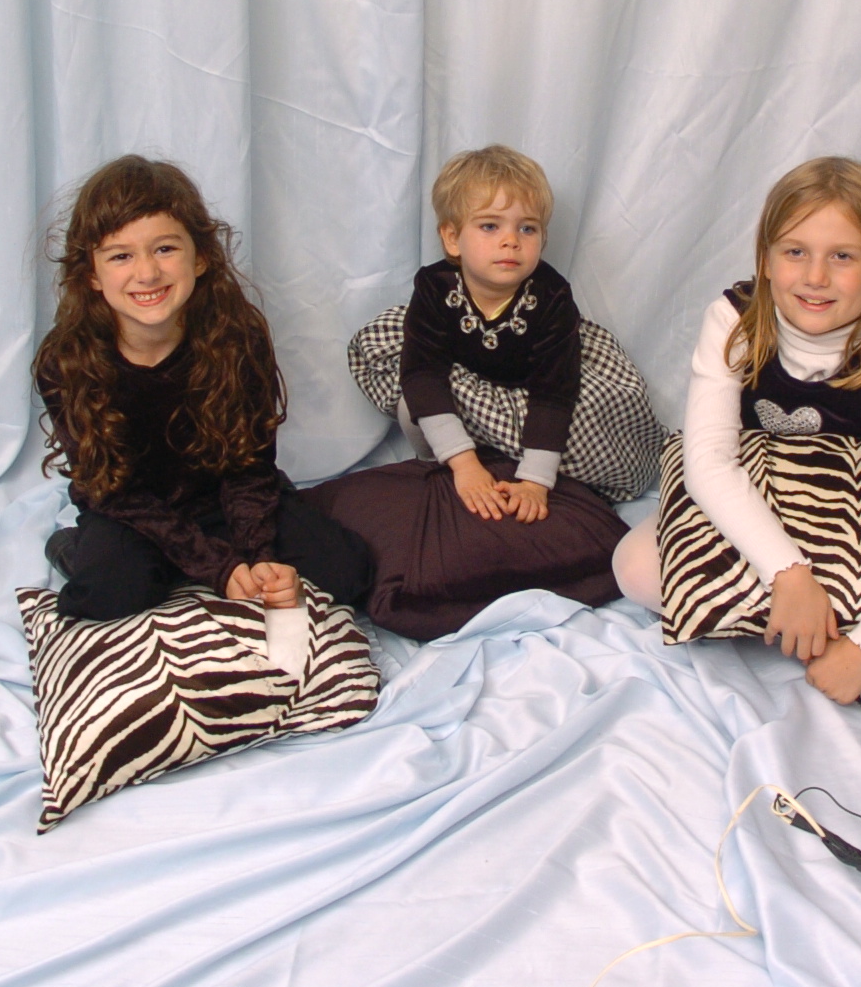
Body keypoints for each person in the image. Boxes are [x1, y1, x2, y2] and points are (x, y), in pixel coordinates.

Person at [611, 156, 861, 704]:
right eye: (795, 252)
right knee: (637, 569)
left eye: (843, 256)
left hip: (848, 518)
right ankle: (841, 618)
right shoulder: (734, 323)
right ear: (765, 259)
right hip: (757, 503)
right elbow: (708, 461)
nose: (815, 277)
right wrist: (788, 575)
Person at [312, 146, 658, 639]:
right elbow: (423, 374)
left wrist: (536, 481)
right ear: (452, 238)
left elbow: (553, 393)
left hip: (532, 392)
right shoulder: (435, 288)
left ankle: (525, 464)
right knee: (413, 394)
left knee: (584, 418)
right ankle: (451, 460)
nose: (511, 241)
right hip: (464, 381)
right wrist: (464, 465)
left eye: (527, 228)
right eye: (490, 226)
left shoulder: (551, 297)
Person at [34, 157, 373, 656]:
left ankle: (193, 562)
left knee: (347, 571)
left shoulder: (236, 336)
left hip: (223, 499)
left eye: (165, 248)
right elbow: (111, 490)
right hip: (130, 510)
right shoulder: (66, 361)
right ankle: (74, 549)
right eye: (121, 256)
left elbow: (250, 467)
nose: (147, 272)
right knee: (110, 592)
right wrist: (218, 567)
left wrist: (256, 557)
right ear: (91, 274)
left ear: (200, 258)